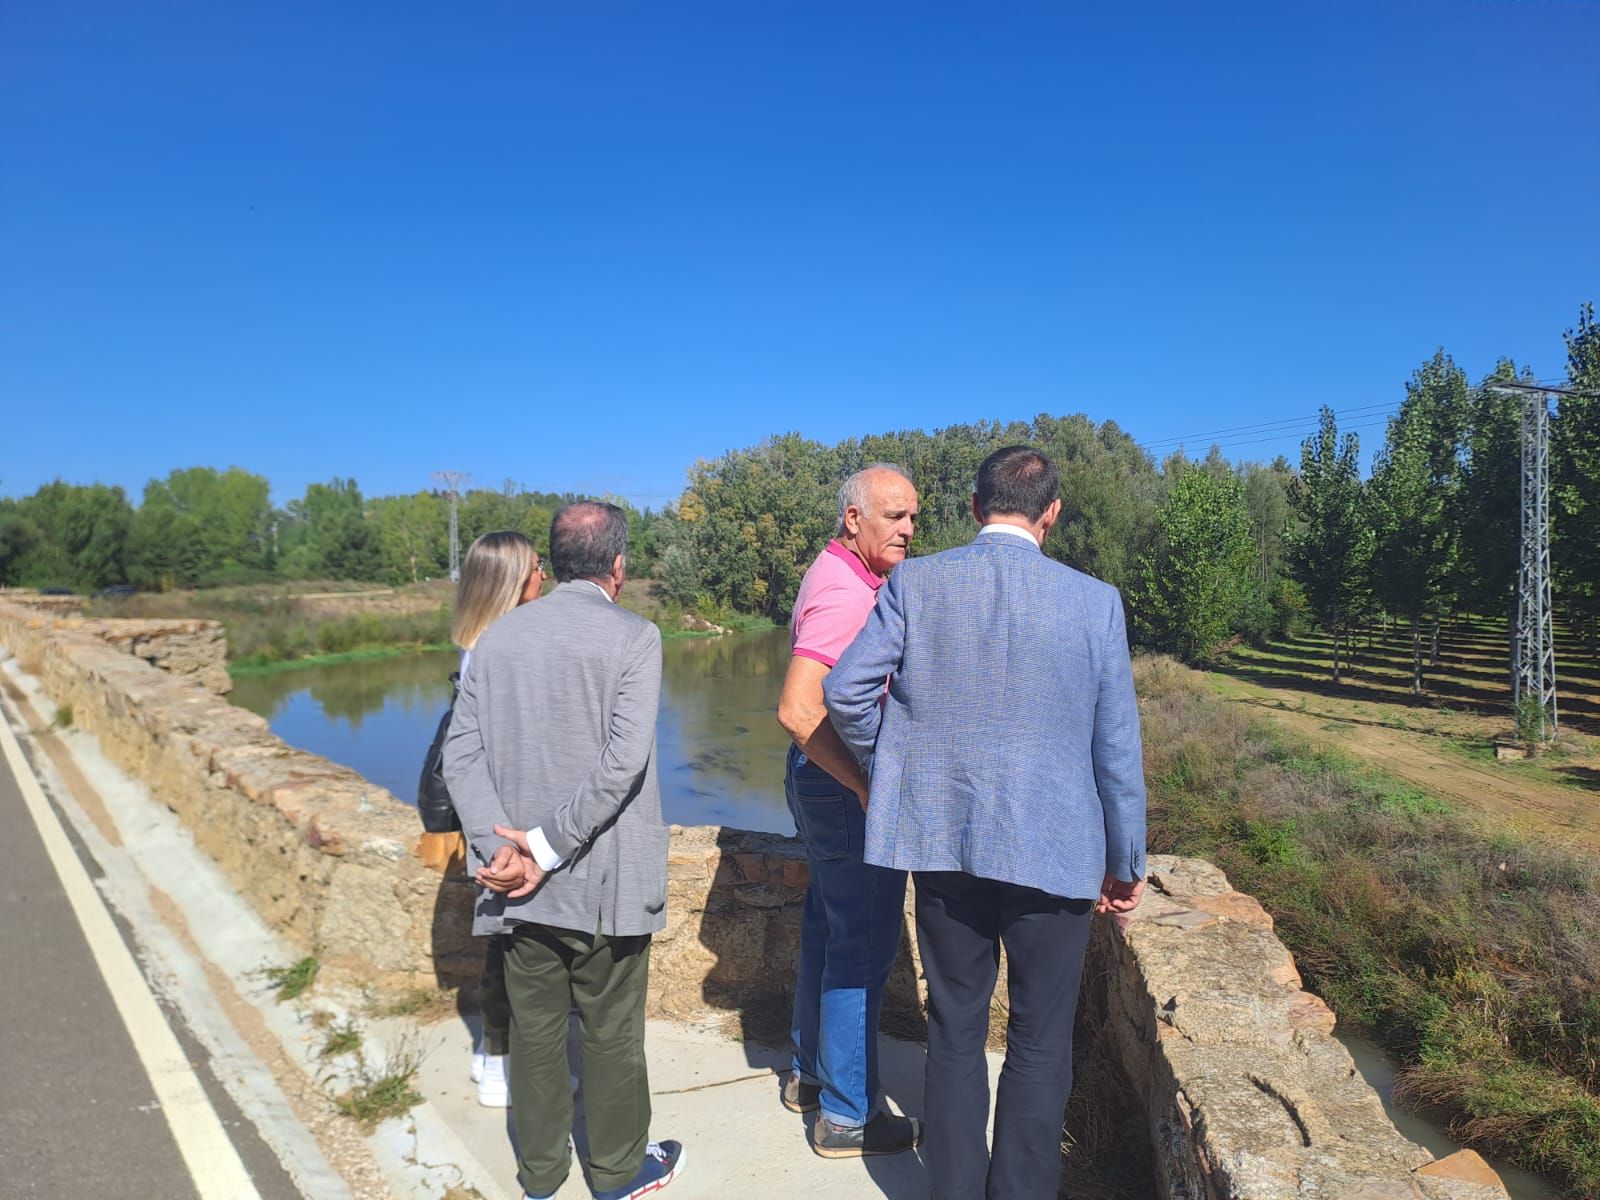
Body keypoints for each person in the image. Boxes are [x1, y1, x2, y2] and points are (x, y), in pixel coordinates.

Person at [824, 446, 1148, 1200]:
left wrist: (900, 772)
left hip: (945, 844)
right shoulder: (1094, 600)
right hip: (1058, 850)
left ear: (975, 507)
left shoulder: (916, 582)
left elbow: (845, 693)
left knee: (957, 1030)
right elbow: (1116, 747)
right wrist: (1125, 862)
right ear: (1053, 514)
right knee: (1040, 1038)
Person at [443, 501, 684, 1200]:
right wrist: (543, 848)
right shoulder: (636, 636)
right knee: (609, 1034)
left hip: (516, 886)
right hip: (601, 881)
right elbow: (622, 766)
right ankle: (617, 1175)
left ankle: (541, 1177)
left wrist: (502, 851)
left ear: (551, 561)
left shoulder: (497, 640)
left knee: (538, 1033)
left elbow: (462, 758)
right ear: (618, 565)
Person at [774, 464, 923, 1158]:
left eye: (913, 517)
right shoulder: (841, 589)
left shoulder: (852, 575)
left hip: (819, 786)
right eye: (893, 516)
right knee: (861, 947)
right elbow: (799, 708)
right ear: (852, 518)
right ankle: (847, 1116)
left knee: (830, 931)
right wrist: (864, 785)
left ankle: (810, 1075)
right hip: (840, 790)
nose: (908, 529)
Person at [448, 530, 546, 1107]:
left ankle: (499, 1057)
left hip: (495, 819)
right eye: (536, 569)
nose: (544, 577)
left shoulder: (484, 643)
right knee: (511, 948)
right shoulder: (495, 650)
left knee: (509, 945)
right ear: (512, 580)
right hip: (502, 824)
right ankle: (501, 1065)